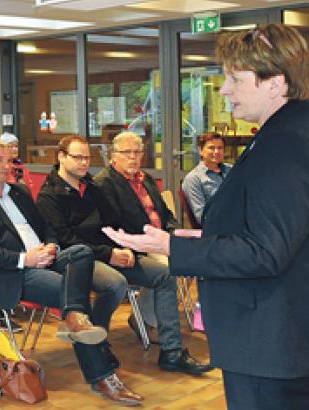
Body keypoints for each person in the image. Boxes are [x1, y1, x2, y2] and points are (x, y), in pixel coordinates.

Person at [105, 25, 309, 409]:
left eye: (236, 78)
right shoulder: (288, 132)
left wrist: (171, 245)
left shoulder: (283, 144)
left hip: (269, 339)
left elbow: (266, 252)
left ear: (276, 83)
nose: (225, 89)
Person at [0, 139, 142, 405]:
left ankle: (76, 320)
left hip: (45, 257)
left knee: (81, 252)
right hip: (11, 272)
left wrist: (52, 246)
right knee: (72, 297)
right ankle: (102, 375)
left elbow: (46, 227)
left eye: (9, 160)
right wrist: (25, 259)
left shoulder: (18, 192)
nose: (6, 166)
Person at [37, 135, 212, 376]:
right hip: (80, 259)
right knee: (115, 283)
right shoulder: (49, 196)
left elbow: (113, 222)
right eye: (77, 157)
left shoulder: (91, 187)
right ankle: (96, 344)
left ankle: (172, 352)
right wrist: (109, 254)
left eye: (87, 157)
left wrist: (123, 247)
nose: (83, 163)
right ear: (61, 157)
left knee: (164, 273)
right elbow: (67, 240)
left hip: (111, 252)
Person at [94, 131, 178, 341]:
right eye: (126, 152)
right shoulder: (104, 183)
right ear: (113, 156)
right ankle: (150, 323)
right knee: (168, 267)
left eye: (137, 152)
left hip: (159, 239)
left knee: (194, 256)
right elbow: (114, 225)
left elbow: (164, 213)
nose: (133, 157)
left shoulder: (145, 178)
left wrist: (174, 233)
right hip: (133, 245)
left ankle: (149, 317)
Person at [181, 132, 231, 225]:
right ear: (200, 150)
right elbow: (202, 217)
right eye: (211, 148)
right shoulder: (193, 179)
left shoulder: (231, 171)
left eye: (220, 148)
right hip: (219, 228)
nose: (216, 152)